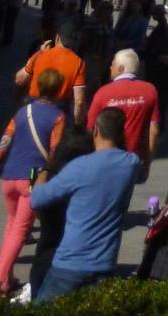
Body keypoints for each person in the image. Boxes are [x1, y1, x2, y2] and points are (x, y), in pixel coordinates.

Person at [29, 105, 139, 302]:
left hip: (70, 262)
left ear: (95, 130)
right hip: (105, 263)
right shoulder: (130, 163)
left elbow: (37, 199)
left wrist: (44, 172)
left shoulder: (79, 167)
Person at [0, 67, 66, 300]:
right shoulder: (58, 117)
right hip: (31, 177)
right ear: (59, 90)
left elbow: (3, 142)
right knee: (20, 230)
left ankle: (7, 278)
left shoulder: (22, 112)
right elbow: (55, 151)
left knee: (11, 227)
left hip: (9, 175)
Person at [86, 48, 160, 178]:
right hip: (135, 159)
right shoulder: (150, 91)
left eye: (112, 64)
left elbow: (90, 128)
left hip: (106, 160)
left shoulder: (103, 93)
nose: (110, 67)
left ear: (120, 68)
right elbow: (154, 131)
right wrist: (148, 162)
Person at [16, 27, 87, 125]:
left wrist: (38, 53)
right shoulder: (78, 63)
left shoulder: (40, 55)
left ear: (57, 37)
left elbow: (19, 80)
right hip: (59, 111)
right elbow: (79, 101)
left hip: (33, 107)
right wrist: (77, 124)